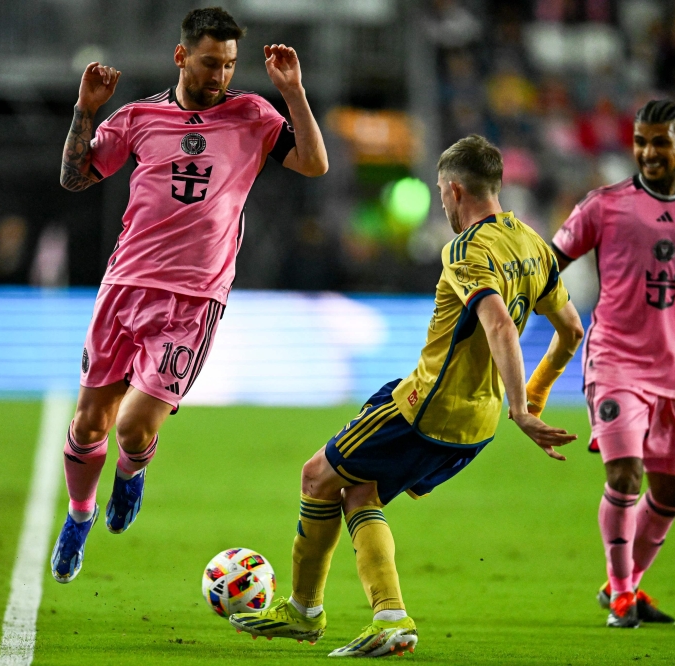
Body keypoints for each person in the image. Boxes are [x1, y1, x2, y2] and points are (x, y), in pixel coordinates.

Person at [230, 135, 583, 657]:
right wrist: (535, 393)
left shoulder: (467, 249)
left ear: (456, 190)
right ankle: (383, 616)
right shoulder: (534, 247)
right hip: (475, 427)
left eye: (442, 193)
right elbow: (572, 330)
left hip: (424, 409)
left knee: (315, 476)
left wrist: (523, 409)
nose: (442, 203)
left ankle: (309, 612)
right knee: (358, 491)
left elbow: (501, 325)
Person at [51, 7, 328, 583]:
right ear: (182, 57)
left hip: (193, 299)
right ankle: (79, 515)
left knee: (132, 428)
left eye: (228, 64)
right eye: (209, 63)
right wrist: (86, 110)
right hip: (124, 285)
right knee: (87, 424)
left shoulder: (252, 114)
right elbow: (75, 177)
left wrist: (294, 93)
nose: (219, 75)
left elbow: (313, 162)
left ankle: (130, 475)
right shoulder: (139, 117)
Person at [551, 100, 675, 628]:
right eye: (640, 141)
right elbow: (550, 264)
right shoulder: (605, 205)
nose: (647, 152)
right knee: (625, 475)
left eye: (659, 141)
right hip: (615, 362)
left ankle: (625, 585)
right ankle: (621, 594)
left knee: (673, 492)